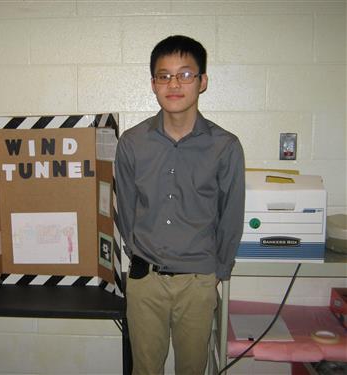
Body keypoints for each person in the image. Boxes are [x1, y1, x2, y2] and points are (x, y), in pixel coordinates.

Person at [115, 35, 245, 375]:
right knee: (144, 370)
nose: (174, 84)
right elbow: (126, 209)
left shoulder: (225, 146)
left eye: (185, 74)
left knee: (192, 369)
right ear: (153, 84)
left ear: (202, 82)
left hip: (198, 283)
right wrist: (139, 258)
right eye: (164, 75)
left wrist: (218, 272)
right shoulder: (131, 143)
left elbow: (231, 215)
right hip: (146, 282)